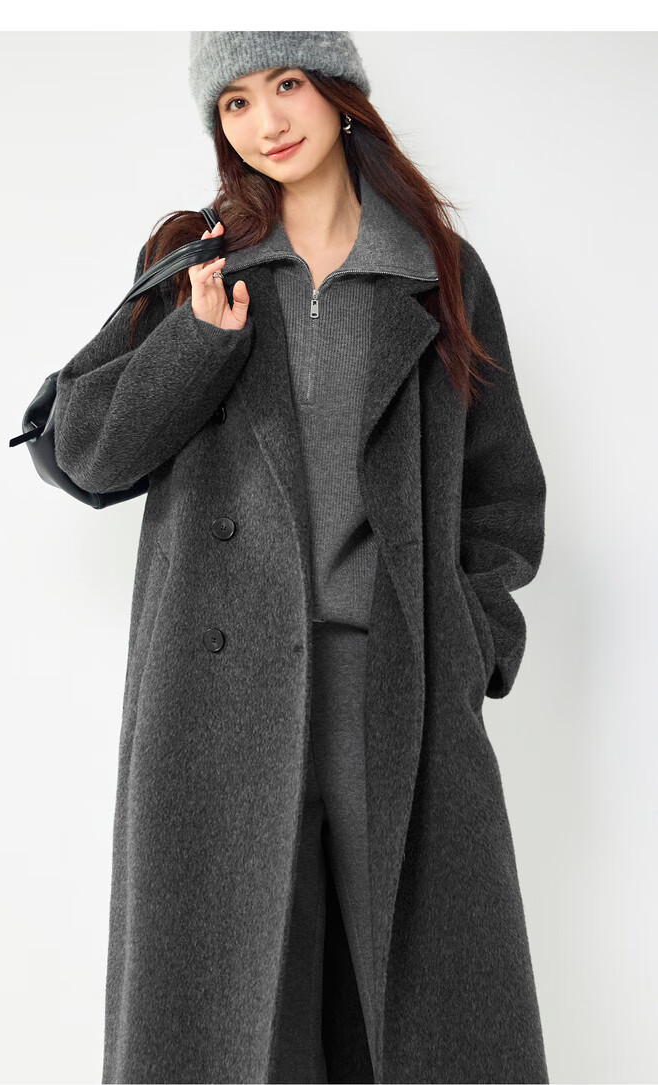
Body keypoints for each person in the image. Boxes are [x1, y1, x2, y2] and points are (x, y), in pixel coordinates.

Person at [53, 31, 549, 1085]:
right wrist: (195, 345)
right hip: (220, 700)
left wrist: (469, 645)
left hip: (397, 687)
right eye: (235, 101)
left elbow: (503, 494)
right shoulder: (198, 265)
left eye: (285, 84)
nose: (267, 121)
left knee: (423, 1012)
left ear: (339, 94)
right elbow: (83, 454)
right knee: (242, 1020)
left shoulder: (437, 274)